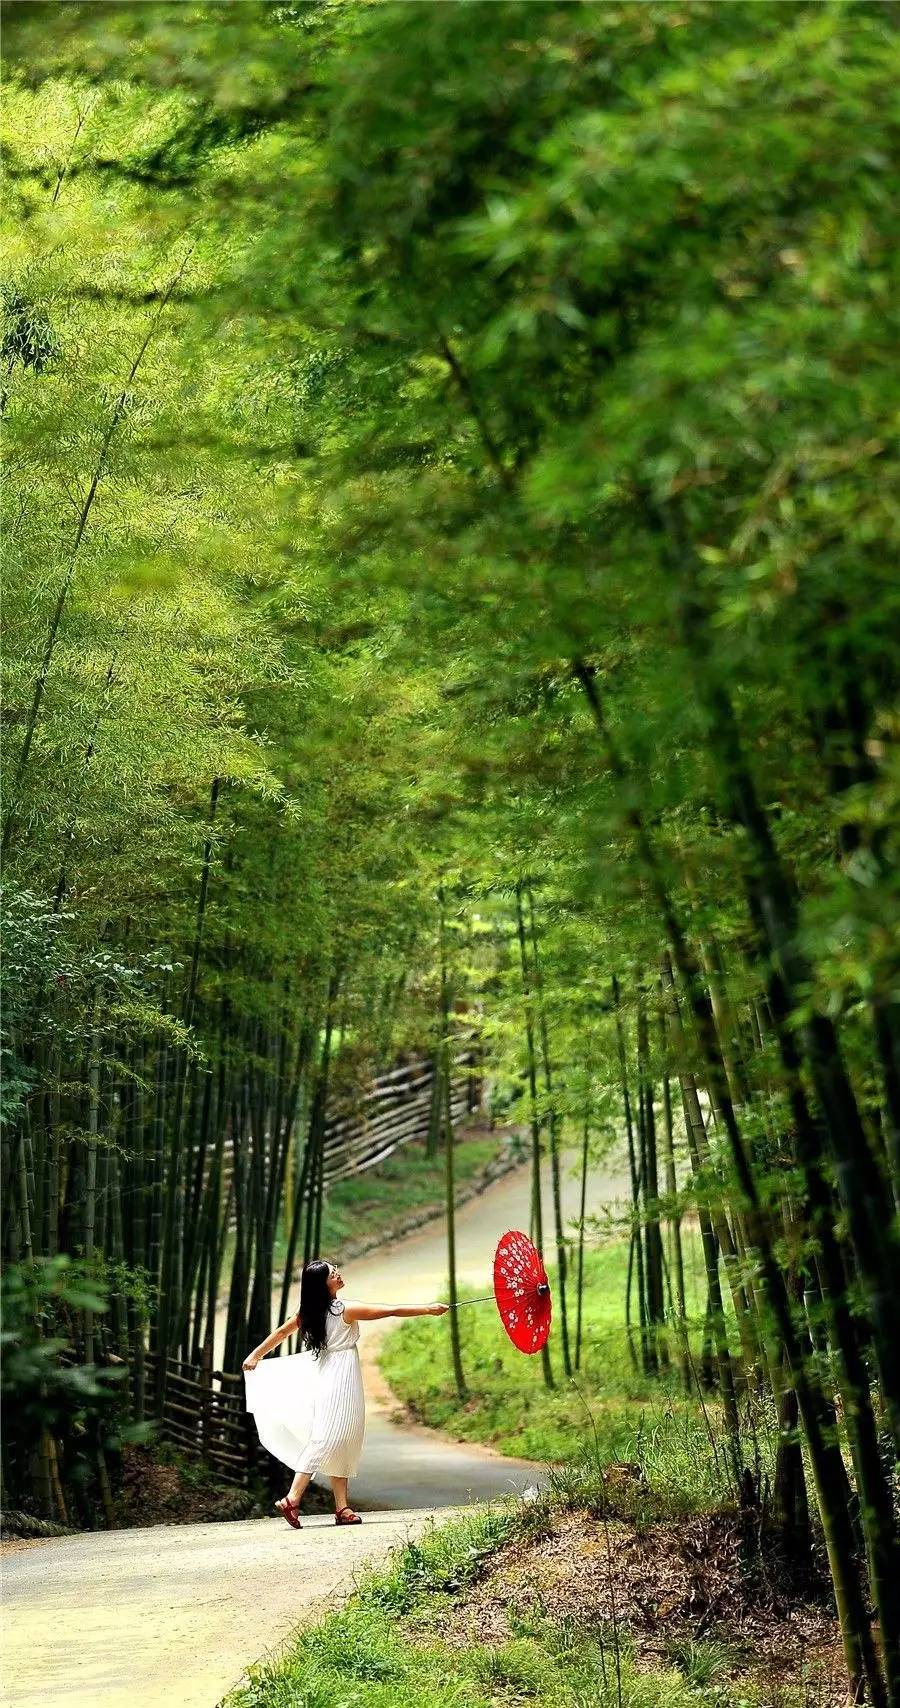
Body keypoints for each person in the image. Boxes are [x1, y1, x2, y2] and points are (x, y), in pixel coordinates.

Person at [242, 1258, 449, 1526]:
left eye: (336, 1270)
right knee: (326, 1437)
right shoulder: (343, 1310)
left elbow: (282, 1333)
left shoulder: (313, 1311)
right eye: (332, 1274)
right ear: (322, 1285)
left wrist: (256, 1354)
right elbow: (390, 1310)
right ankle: (292, 1498)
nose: (338, 1275)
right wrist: (427, 1309)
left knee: (346, 1438)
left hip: (334, 1373)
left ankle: (342, 1508)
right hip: (338, 1377)